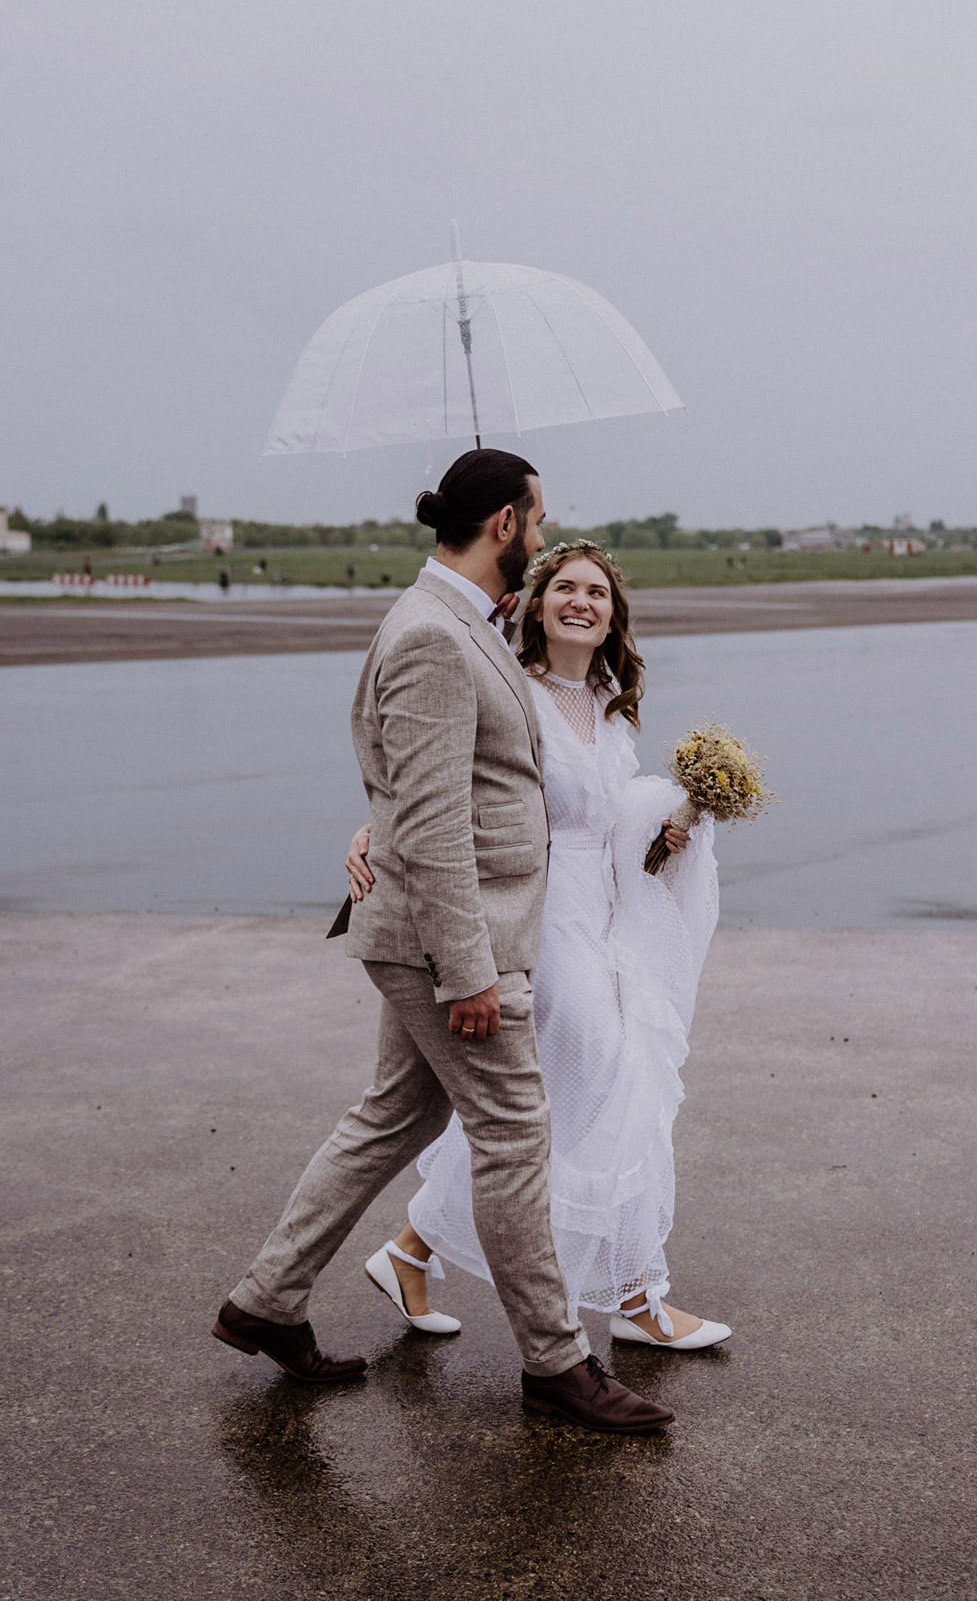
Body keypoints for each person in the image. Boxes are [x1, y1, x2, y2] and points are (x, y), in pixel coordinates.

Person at [213, 451, 671, 1435]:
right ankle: (557, 1364)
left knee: (389, 1118)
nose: (547, 538)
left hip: (433, 930)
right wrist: (470, 973)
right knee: (514, 1134)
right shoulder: (431, 635)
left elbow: (436, 790)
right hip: (445, 945)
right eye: (540, 519)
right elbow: (429, 820)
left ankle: (264, 1299)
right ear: (505, 522)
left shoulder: (463, 625)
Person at [347, 539, 729, 1352]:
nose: (581, 601)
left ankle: (410, 1251)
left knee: (535, 1105)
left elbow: (610, 816)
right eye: (565, 587)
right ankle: (636, 1299)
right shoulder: (509, 689)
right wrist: (372, 831)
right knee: (609, 1081)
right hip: (534, 914)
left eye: (596, 592)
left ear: (612, 616)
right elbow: (442, 778)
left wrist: (666, 828)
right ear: (537, 602)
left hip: (606, 915)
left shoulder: (610, 705)